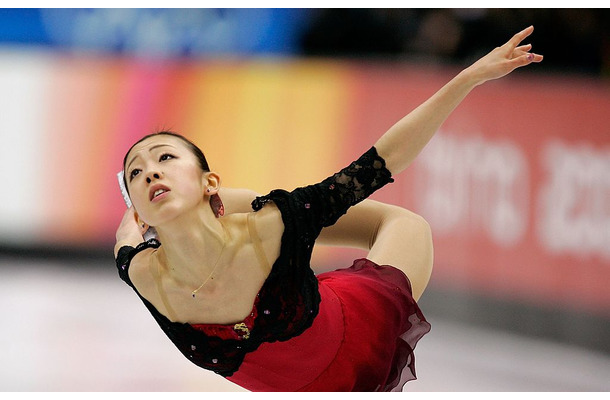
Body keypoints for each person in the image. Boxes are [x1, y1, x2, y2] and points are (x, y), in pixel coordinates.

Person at [114, 26, 542, 392]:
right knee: (297, 216)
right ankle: (232, 203)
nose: (150, 172)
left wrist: (466, 79)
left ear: (209, 181)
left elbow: (380, 163)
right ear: (136, 210)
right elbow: (126, 237)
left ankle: (240, 201)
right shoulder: (142, 272)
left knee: (402, 223)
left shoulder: (271, 229)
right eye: (136, 172)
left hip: (357, 332)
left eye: (165, 158)